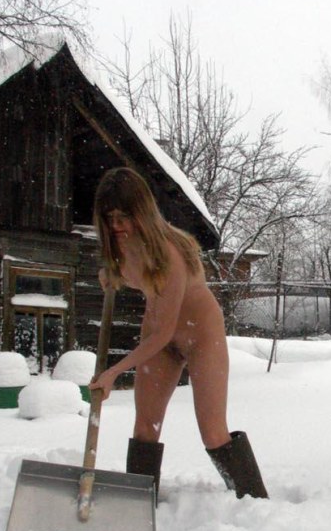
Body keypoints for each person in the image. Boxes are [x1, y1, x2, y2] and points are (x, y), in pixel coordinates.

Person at [88, 166, 268, 500]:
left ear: (142, 212)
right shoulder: (121, 246)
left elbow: (164, 331)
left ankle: (254, 503)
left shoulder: (169, 252)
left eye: (124, 216)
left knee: (212, 433)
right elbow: (137, 283)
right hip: (158, 335)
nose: (117, 226)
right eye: (109, 217)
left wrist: (114, 371)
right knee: (145, 428)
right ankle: (138, 503)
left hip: (200, 334)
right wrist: (112, 276)